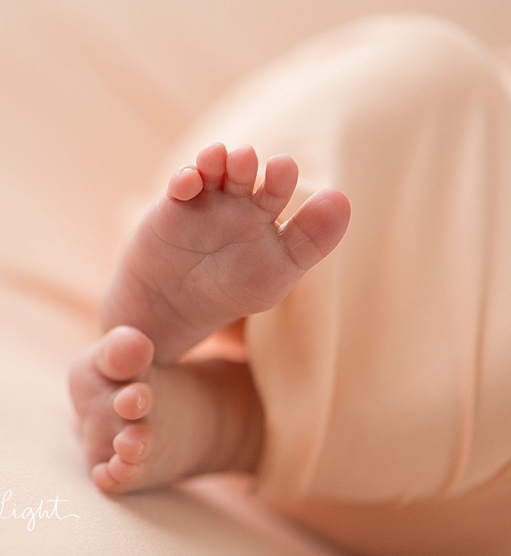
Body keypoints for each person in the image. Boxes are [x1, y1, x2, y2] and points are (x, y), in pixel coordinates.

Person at [70, 14, 511, 555]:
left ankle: (232, 421)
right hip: (404, 444)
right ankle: (223, 400)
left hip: (420, 475)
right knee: (437, 77)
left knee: (436, 76)